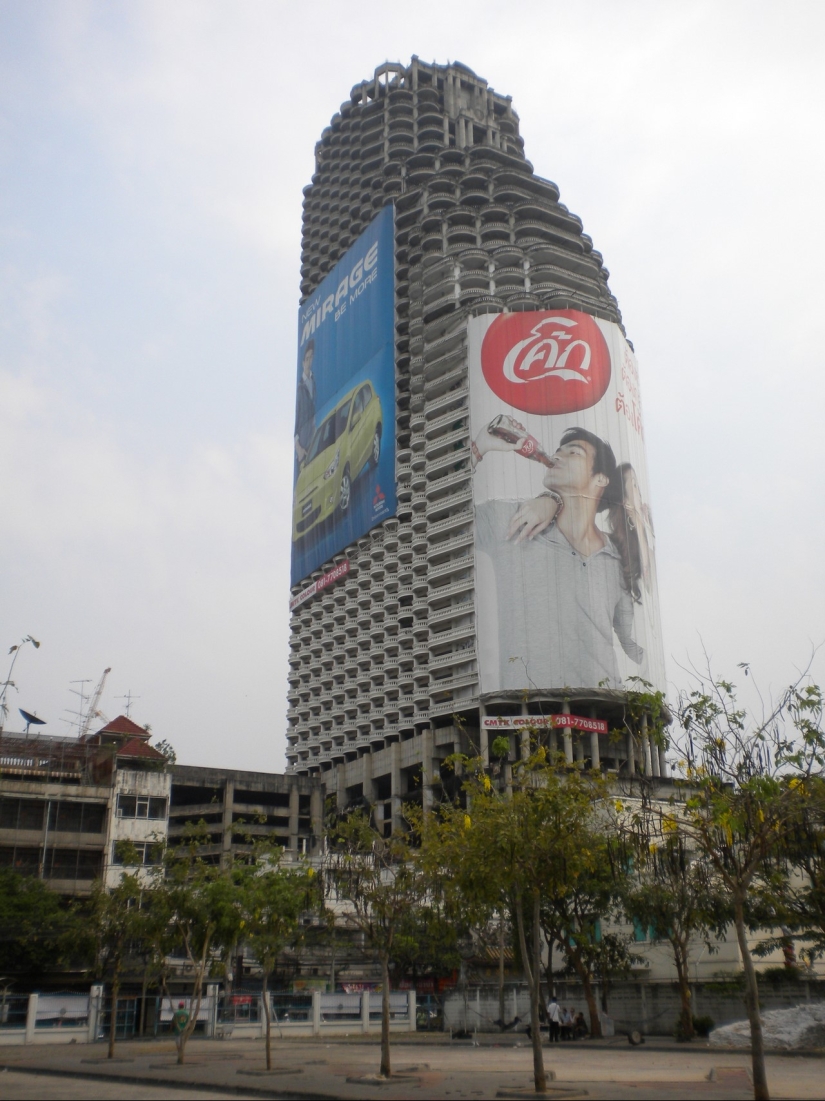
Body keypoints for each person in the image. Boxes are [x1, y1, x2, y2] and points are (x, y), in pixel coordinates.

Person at [473, 421, 644, 690]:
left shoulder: (617, 559)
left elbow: (632, 642)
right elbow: (439, 522)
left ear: (600, 479)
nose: (556, 456)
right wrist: (480, 447)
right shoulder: (510, 518)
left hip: (602, 711)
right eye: (557, 450)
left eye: (573, 452)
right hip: (526, 713)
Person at [294, 339, 317, 469]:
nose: (309, 361)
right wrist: (299, 448)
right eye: (307, 359)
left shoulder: (313, 383)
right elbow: (296, 423)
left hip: (312, 445)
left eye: (311, 358)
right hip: (302, 448)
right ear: (303, 363)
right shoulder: (300, 389)